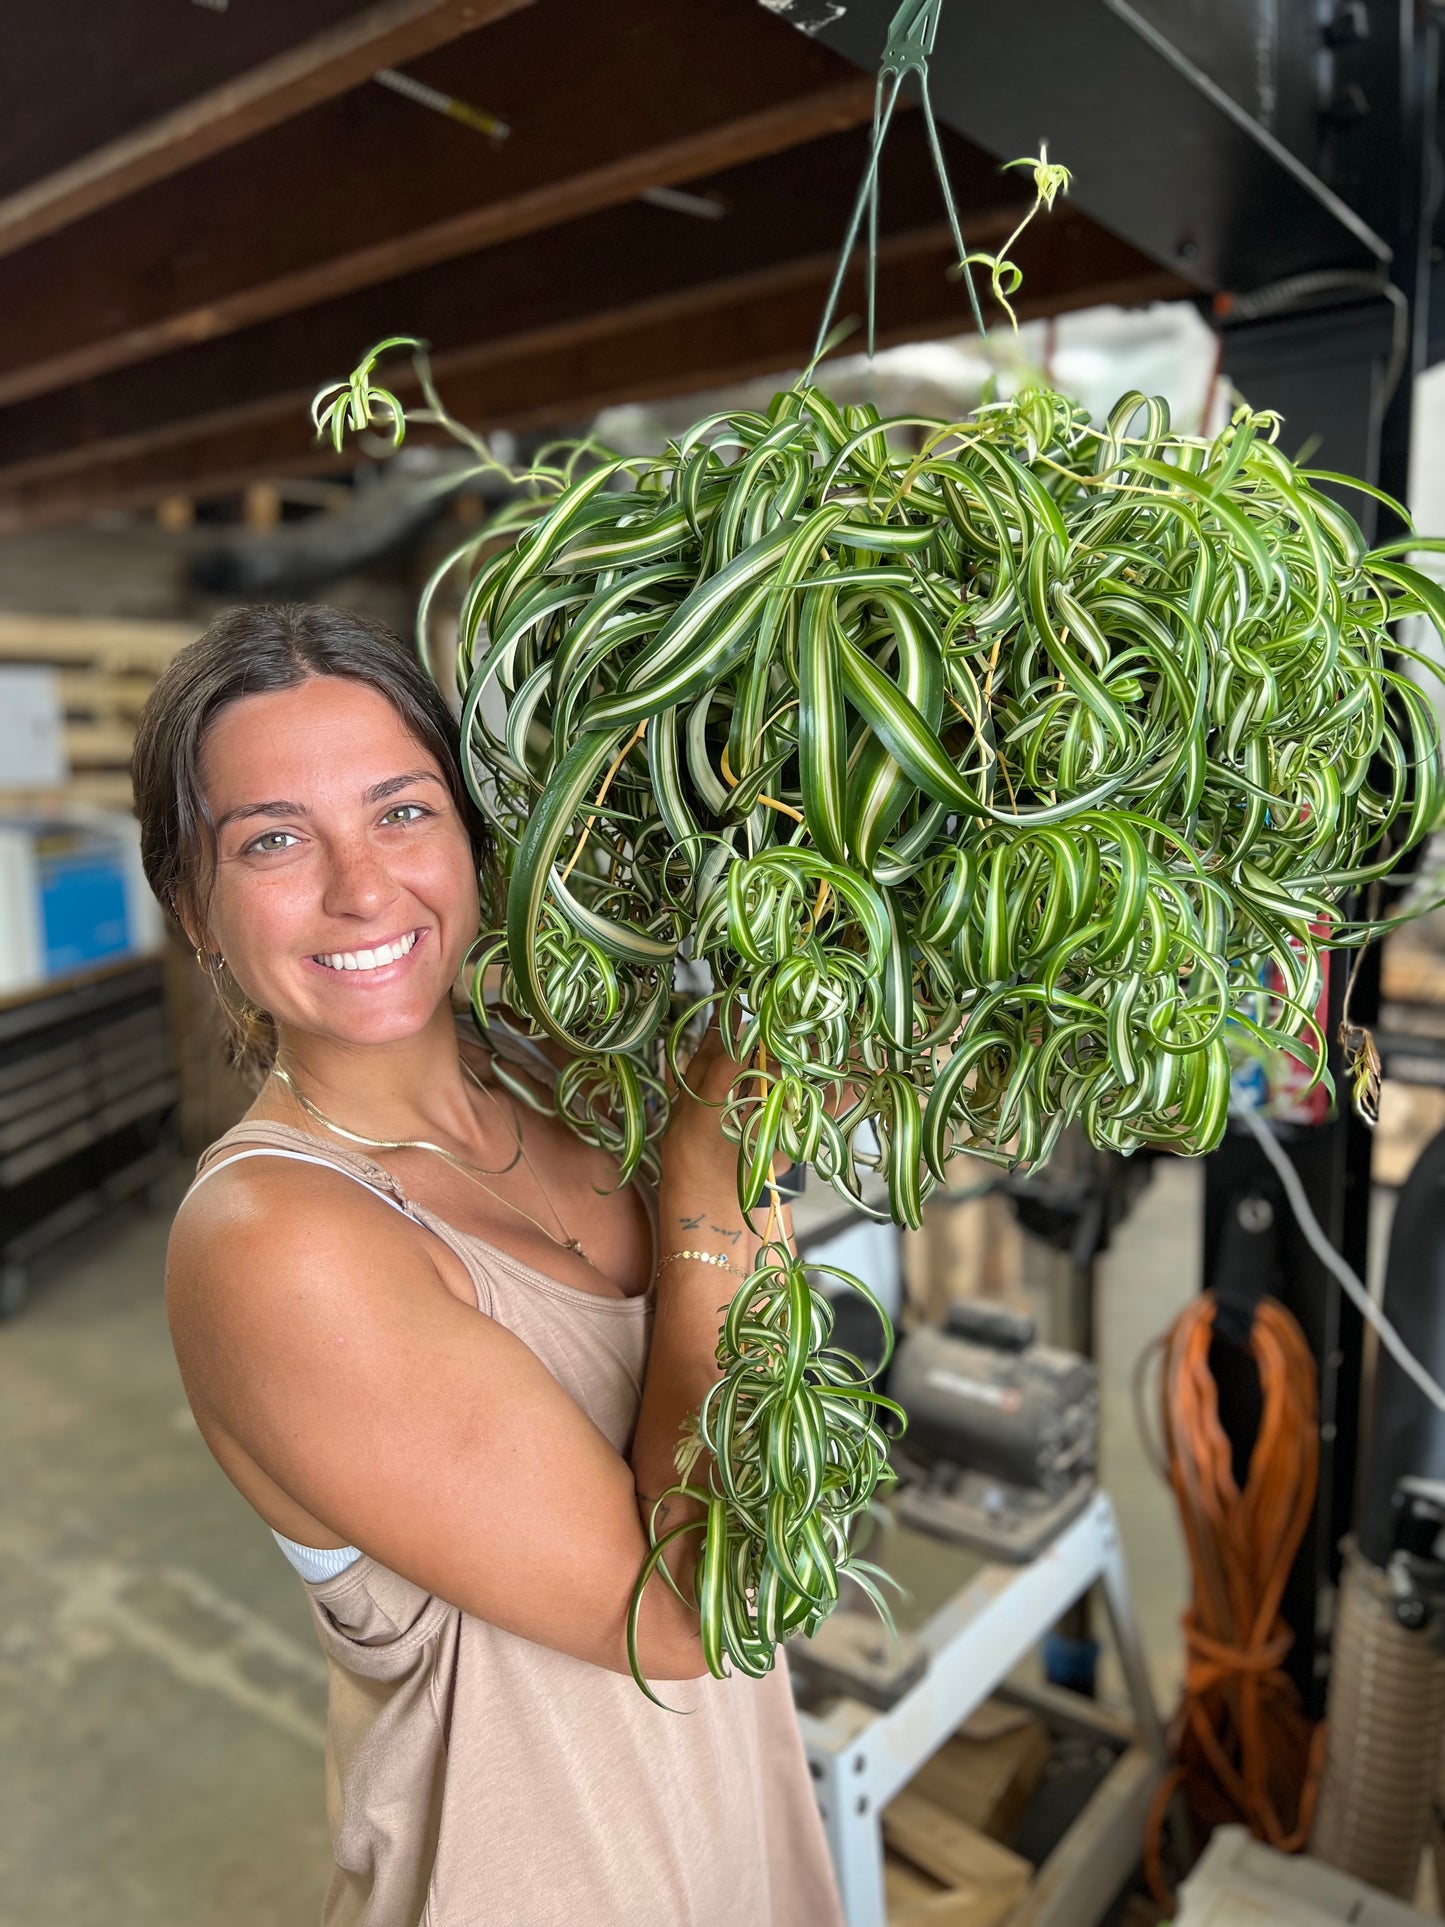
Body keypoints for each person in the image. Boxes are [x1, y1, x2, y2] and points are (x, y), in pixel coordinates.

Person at [131, 605, 843, 1927]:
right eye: (275, 840)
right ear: (197, 908)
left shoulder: (559, 1071)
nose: (360, 888)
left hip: (724, 1825)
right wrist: (708, 1178)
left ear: (472, 836)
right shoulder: (273, 1246)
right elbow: (674, 1620)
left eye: (401, 812)